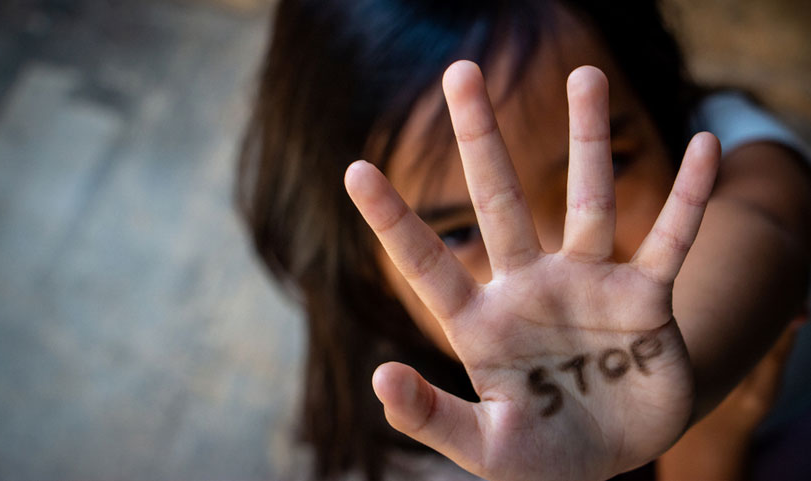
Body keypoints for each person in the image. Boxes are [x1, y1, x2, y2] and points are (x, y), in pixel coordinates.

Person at [236, 0, 811, 479]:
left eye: (609, 165)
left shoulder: (724, 143)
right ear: (364, 267)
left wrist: (679, 392)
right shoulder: (416, 431)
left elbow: (767, 223)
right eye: (461, 232)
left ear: (656, 102)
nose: (558, 263)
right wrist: (704, 449)